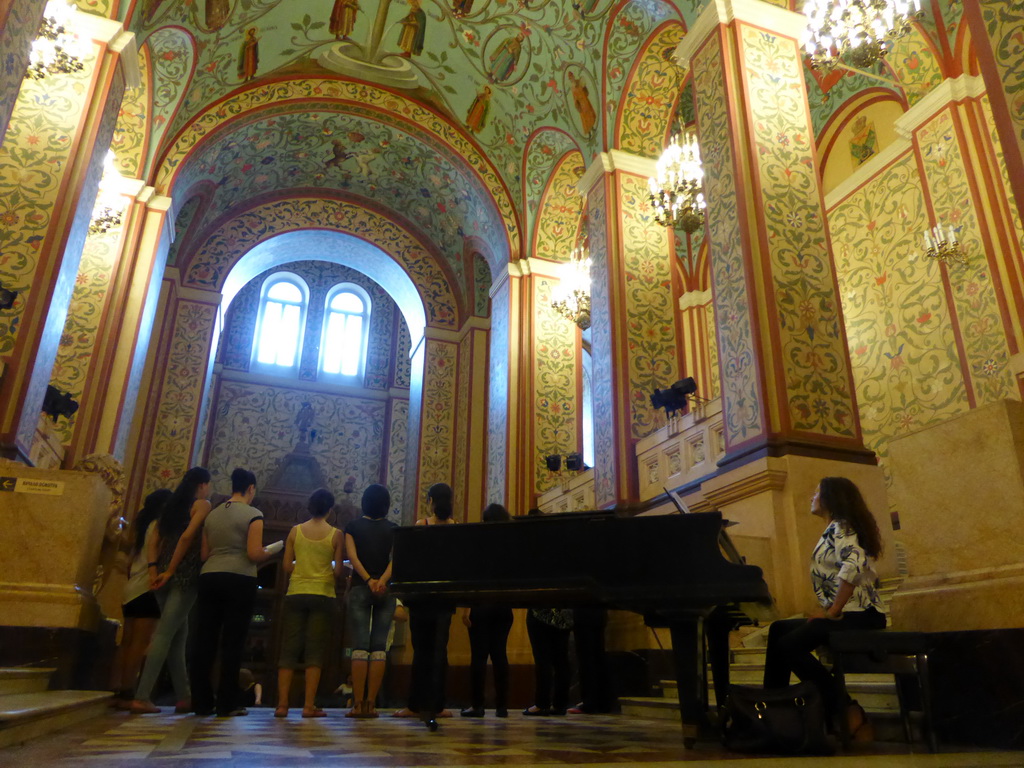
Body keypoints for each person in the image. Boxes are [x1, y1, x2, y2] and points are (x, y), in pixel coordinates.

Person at [762, 476, 886, 738]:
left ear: (831, 498)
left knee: (788, 645)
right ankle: (772, 709)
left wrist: (831, 612)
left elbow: (852, 566)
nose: (811, 497)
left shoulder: (841, 526)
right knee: (778, 630)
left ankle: (844, 706)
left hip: (862, 615)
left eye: (817, 492)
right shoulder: (834, 529)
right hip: (849, 612)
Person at [190, 468, 279, 716]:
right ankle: (226, 702)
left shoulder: (213, 514)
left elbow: (205, 554)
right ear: (251, 488)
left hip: (209, 576)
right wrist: (271, 551)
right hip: (240, 579)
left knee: (205, 639)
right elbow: (253, 554)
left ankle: (201, 701)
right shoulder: (254, 514)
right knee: (233, 641)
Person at [131, 467, 212, 714]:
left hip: (162, 576)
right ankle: (141, 695)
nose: (209, 488)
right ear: (202, 485)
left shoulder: (171, 507)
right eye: (208, 484)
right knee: (164, 635)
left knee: (178, 638)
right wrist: (172, 570)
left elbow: (154, 542)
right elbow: (187, 538)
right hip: (183, 575)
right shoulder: (202, 505)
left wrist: (156, 572)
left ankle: (184, 696)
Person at [276, 488, 344, 718]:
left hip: (296, 592)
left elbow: (286, 565)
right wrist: (321, 571)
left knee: (289, 649)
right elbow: (338, 571)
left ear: (309, 507)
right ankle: (308, 706)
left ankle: (282, 705)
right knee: (315, 651)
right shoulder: (335, 534)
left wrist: (303, 570)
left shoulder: (295, 531)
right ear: (330, 510)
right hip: (323, 594)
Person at [393, 482, 456, 726]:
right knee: (440, 651)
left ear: (429, 501)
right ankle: (438, 706)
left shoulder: (422, 525)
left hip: (421, 598)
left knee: (421, 651)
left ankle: (414, 705)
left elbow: (411, 562)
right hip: (444, 598)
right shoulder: (456, 528)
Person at [111, 489, 171, 708]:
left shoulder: (141, 526)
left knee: (126, 642)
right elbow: (160, 555)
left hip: (131, 587)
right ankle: (129, 692)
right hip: (148, 587)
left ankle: (117, 689)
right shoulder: (159, 527)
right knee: (140, 642)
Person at [345, 483, 398, 718]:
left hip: (359, 587)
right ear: (386, 505)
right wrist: (381, 581)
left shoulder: (353, 527)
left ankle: (357, 704)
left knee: (359, 645)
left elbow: (352, 557)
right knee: (379, 647)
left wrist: (367, 580)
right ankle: (371, 703)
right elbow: (395, 560)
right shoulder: (394, 529)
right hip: (385, 591)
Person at [460, 503, 514, 718]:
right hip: (503, 605)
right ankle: (502, 706)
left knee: (479, 657)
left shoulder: (479, 543)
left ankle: (478, 705)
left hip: (480, 605)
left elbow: (470, 576)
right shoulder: (510, 543)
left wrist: (466, 608)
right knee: (500, 655)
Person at [568, 606, 613, 714]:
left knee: (586, 660)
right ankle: (603, 703)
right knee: (598, 657)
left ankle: (589, 703)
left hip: (583, 614)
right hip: (598, 615)